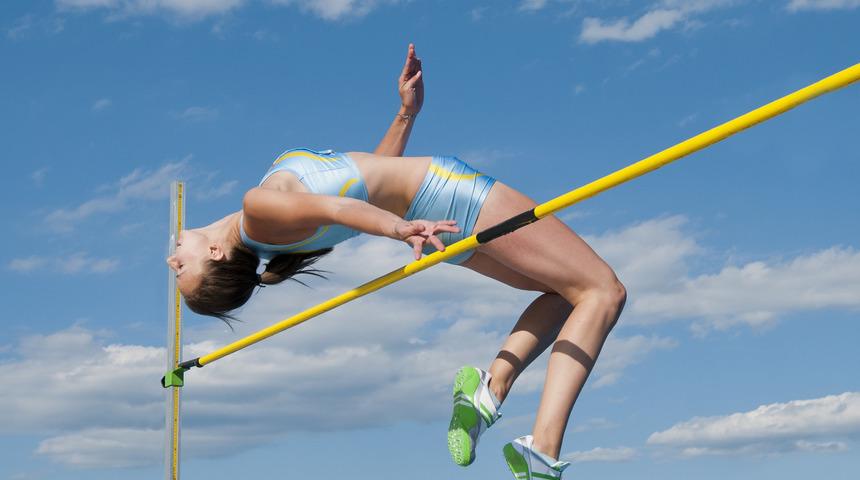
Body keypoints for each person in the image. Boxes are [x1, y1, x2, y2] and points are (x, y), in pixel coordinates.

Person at [167, 44, 626, 480]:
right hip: (445, 199)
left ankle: (490, 389)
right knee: (602, 290)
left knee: (565, 292)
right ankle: (542, 451)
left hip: (428, 224)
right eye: (182, 270)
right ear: (215, 254)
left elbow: (367, 183)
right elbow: (341, 209)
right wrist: (399, 229)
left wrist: (406, 114)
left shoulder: (274, 244)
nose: (172, 261)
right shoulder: (258, 211)